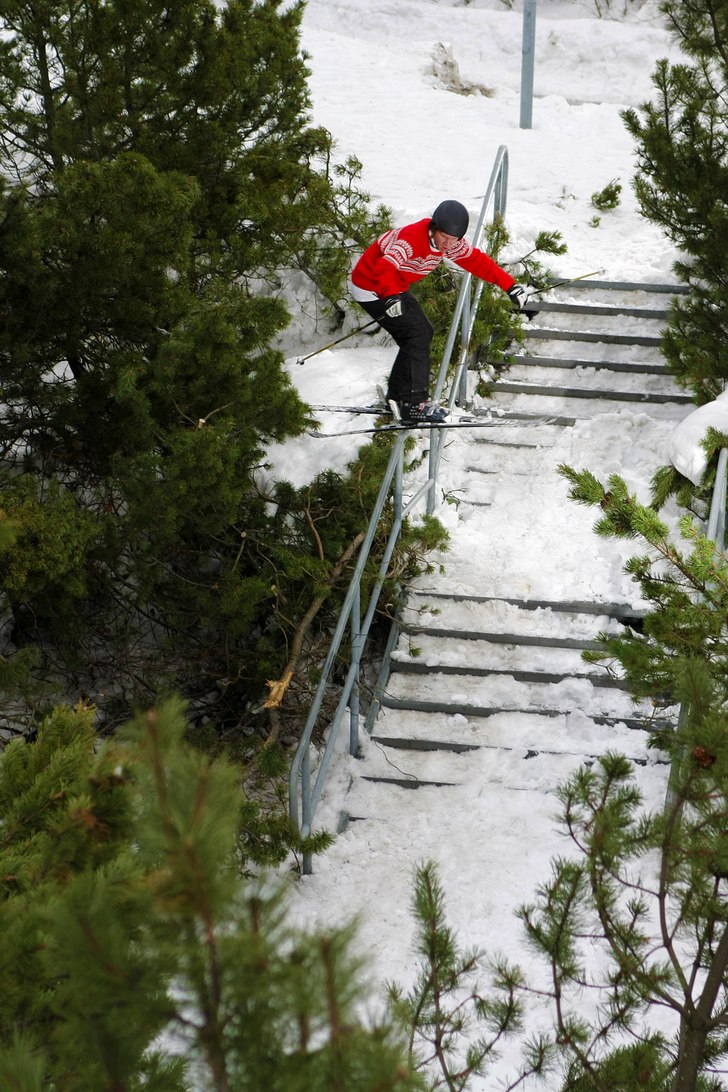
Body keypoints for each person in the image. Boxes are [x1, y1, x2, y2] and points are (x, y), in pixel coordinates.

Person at [349, 199, 539, 424]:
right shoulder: (410, 239)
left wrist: (510, 285)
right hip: (371, 286)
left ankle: (398, 398)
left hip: (394, 288)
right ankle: (415, 403)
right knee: (416, 334)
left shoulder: (451, 243)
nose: (448, 245)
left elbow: (478, 262)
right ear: (433, 229)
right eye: (444, 238)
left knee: (423, 332)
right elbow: (384, 268)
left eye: (454, 240)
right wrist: (389, 296)